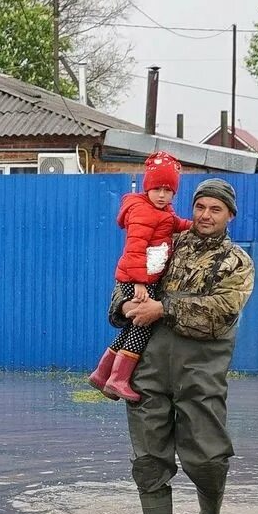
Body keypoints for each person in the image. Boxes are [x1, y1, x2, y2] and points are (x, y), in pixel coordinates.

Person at [110, 178, 255, 514]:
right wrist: (124, 304)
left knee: (207, 457)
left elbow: (223, 310)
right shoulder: (165, 243)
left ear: (230, 216)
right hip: (148, 369)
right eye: (200, 207)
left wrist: (163, 309)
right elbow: (128, 279)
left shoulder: (237, 262)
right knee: (148, 460)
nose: (206, 215)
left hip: (200, 374)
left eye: (215, 209)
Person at [88, 153, 194, 402]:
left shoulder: (162, 212)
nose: (162, 195)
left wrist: (193, 226)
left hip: (142, 280)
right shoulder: (142, 213)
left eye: (168, 190)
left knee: (130, 330)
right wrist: (139, 283)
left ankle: (102, 373)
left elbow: (173, 223)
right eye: (157, 188)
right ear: (147, 188)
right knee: (141, 328)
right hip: (135, 281)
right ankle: (119, 379)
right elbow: (134, 248)